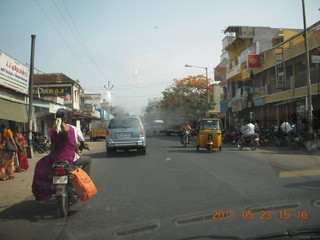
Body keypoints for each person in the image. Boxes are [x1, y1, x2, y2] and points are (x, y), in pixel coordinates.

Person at [32, 108, 92, 200]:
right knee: (88, 160)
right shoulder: (72, 129)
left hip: (56, 159)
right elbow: (75, 146)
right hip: (70, 159)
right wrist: (78, 154)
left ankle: (45, 189)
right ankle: (84, 182)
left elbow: (52, 149)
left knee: (40, 166)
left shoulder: (53, 131)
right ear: (66, 118)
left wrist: (51, 156)